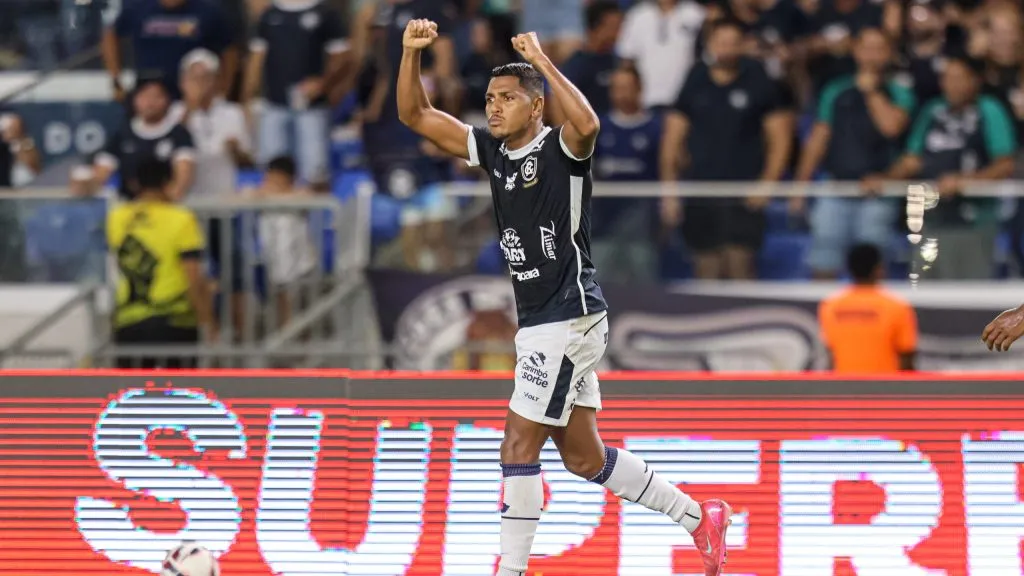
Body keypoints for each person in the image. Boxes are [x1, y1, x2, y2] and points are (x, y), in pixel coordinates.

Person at [396, 18, 732, 576]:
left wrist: (546, 64)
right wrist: (409, 54)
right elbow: (416, 115)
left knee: (517, 445)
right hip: (543, 319)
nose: (494, 107)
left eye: (507, 98)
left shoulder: (562, 149)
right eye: (489, 99)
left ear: (536, 106)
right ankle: (700, 518)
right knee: (583, 457)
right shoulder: (494, 153)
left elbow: (590, 123)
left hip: (566, 316)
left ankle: (511, 569)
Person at [660, 18, 791, 280]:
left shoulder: (758, 78)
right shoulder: (695, 78)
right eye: (721, 42)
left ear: (743, 45)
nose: (727, 48)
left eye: (733, 43)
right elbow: (672, 139)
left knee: (740, 265)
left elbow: (780, 138)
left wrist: (767, 184)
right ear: (710, 44)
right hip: (701, 191)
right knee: (706, 269)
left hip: (744, 193)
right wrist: (670, 191)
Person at [881, 54, 1016, 279]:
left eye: (958, 78)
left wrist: (965, 182)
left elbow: (1005, 163)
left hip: (973, 221)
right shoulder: (932, 110)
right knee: (926, 291)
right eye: (946, 78)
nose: (951, 84)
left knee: (968, 296)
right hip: (931, 219)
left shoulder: (989, 110)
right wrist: (885, 179)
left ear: (974, 81)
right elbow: (913, 159)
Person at [796, 27, 915, 279]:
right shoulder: (835, 90)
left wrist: (871, 91)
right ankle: (823, 316)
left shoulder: (899, 92)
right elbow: (819, 138)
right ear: (856, 51)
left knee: (871, 266)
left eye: (879, 49)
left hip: (877, 193)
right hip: (835, 187)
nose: (872, 55)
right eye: (866, 48)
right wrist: (800, 186)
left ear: (890, 54)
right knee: (823, 261)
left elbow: (891, 127)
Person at [107, 157, 216, 369]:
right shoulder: (181, 218)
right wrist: (208, 321)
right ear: (168, 182)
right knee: (178, 396)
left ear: (135, 184)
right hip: (175, 320)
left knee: (131, 398)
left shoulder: (117, 218)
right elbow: (192, 276)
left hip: (129, 320)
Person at [103, 0, 237, 101]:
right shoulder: (138, 6)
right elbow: (110, 35)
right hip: (149, 98)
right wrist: (116, 80)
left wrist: (224, 90)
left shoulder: (208, 11)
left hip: (193, 99)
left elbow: (230, 51)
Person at [818, 243, 918, 372]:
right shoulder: (897, 307)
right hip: (886, 388)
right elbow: (906, 358)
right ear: (879, 269)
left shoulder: (830, 306)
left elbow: (830, 355)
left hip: (843, 387)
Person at [94, 77, 196, 201]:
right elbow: (102, 171)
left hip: (166, 208)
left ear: (167, 100)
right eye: (144, 97)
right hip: (129, 208)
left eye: (156, 97)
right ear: (135, 100)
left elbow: (183, 176)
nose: (150, 103)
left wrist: (164, 201)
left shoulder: (178, 134)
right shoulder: (123, 133)